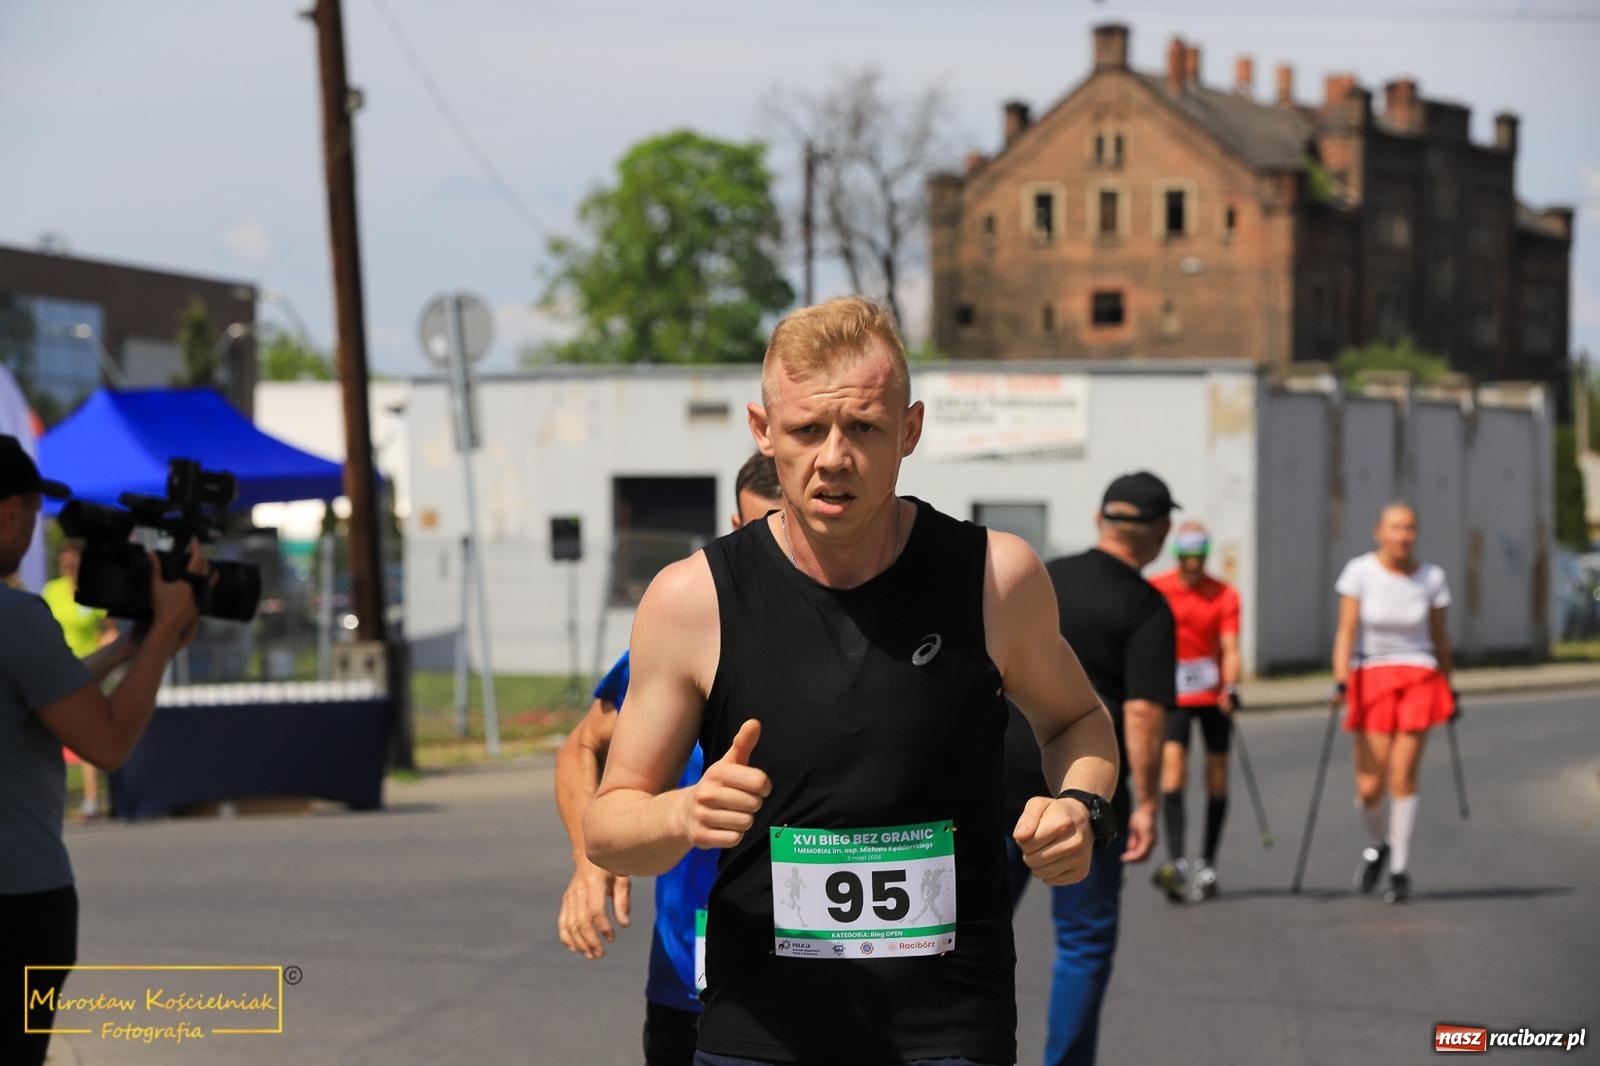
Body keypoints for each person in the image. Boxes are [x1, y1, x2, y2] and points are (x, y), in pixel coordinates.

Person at [585, 296, 1121, 1066]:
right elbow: (610, 827)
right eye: (806, 430)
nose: (833, 456)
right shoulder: (691, 599)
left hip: (946, 1032)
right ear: (764, 432)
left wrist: (1082, 808)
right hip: (760, 1032)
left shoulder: (994, 577)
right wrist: (681, 814)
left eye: (864, 428)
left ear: (909, 431)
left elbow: (1079, 722)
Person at [555, 452, 782, 1066]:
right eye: (765, 529)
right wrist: (590, 858)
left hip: (842, 969)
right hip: (695, 978)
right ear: (735, 525)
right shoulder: (688, 636)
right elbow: (583, 745)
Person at [0, 434, 202, 1066]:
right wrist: (167, 628)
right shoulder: (16, 618)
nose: (37, 530)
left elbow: (40, 697)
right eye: (34, 513)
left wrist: (126, 649)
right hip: (18, 905)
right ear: (9, 510)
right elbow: (107, 742)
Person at [1331, 501, 1454, 905]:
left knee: (1402, 777)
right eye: (1395, 527)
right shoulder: (1359, 572)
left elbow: (1440, 637)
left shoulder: (1432, 577)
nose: (1403, 535)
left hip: (1419, 673)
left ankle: (1399, 869)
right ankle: (1378, 843)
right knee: (1369, 787)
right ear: (1378, 532)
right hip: (1371, 674)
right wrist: (1340, 680)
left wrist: (1449, 687)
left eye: (1410, 528)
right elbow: (1346, 631)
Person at [1148, 521, 1241, 903]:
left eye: (1198, 557)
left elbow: (1231, 645)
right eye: (1186, 557)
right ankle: (1177, 861)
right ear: (1177, 556)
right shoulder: (1158, 589)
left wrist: (1232, 686)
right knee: (1174, 772)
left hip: (1212, 694)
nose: (1192, 564)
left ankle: (1207, 862)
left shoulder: (1224, 593)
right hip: (1174, 696)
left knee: (1217, 777)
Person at [42, 543, 120, 819]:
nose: (68, 567)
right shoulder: (51, 592)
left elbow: (111, 631)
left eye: (72, 562)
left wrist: (105, 649)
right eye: (64, 563)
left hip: (88, 672)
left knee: (87, 733)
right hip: (56, 670)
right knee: (50, 736)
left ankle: (91, 799)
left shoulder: (93, 590)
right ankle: (51, 797)